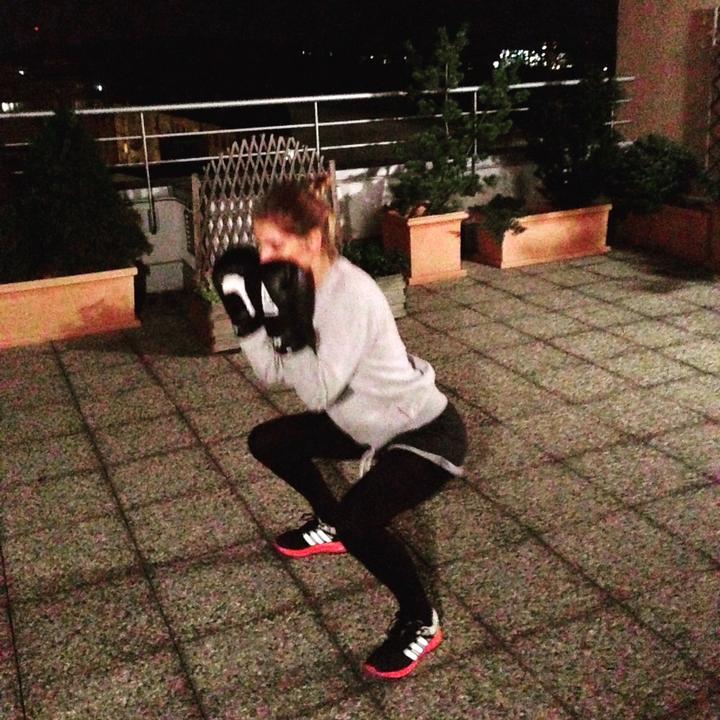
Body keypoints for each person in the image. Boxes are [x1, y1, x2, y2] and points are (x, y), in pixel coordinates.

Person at [212, 177, 467, 681]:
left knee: (359, 524)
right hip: (358, 421)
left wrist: (288, 333)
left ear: (312, 239)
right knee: (268, 443)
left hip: (420, 430)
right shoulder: (283, 282)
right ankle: (326, 521)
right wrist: (248, 322)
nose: (262, 257)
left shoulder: (352, 293)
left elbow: (318, 392)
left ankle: (421, 620)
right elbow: (273, 372)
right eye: (259, 243)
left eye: (274, 244)